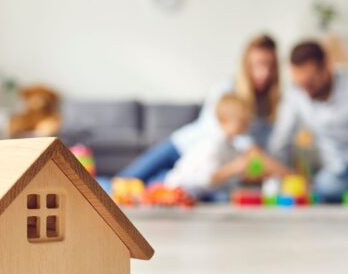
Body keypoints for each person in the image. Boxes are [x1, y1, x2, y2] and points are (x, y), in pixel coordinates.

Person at [118, 34, 280, 183]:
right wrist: (253, 151)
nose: (264, 73)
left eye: (270, 66)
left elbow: (262, 149)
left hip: (201, 168)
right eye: (258, 65)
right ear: (246, 64)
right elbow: (224, 131)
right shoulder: (226, 88)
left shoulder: (270, 105)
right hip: (181, 147)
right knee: (123, 182)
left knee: (154, 188)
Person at [269, 40, 348, 201]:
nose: (305, 91)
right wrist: (279, 176)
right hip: (336, 170)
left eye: (310, 82)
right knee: (324, 187)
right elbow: (280, 140)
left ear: (327, 67)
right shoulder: (295, 94)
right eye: (300, 84)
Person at [164, 94, 289, 199]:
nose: (247, 126)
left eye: (247, 122)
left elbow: (234, 177)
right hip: (178, 189)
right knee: (224, 197)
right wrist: (234, 168)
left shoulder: (231, 147)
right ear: (224, 121)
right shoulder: (213, 144)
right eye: (242, 122)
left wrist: (253, 175)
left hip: (201, 193)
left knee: (231, 194)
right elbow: (207, 179)